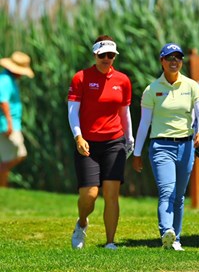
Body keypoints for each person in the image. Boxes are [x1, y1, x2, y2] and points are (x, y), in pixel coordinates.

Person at [132, 43, 199, 251]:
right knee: (167, 191)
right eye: (169, 58)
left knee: (179, 196)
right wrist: (137, 153)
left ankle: (176, 239)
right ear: (162, 62)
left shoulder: (192, 86)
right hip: (161, 146)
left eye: (178, 58)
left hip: (186, 145)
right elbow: (144, 124)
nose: (174, 62)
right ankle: (166, 231)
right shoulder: (152, 90)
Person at [67, 36, 134, 250]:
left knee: (111, 194)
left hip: (115, 142)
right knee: (89, 195)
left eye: (111, 55)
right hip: (87, 143)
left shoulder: (123, 80)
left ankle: (110, 241)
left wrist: (129, 138)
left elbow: (125, 112)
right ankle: (82, 222)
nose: (107, 59)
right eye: (103, 55)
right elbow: (72, 111)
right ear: (95, 54)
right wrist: (78, 136)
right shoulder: (81, 78)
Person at [0, 51, 34, 187]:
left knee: (10, 157)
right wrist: (8, 123)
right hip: (7, 123)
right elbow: (3, 101)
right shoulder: (5, 80)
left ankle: (3, 188)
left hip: (12, 123)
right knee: (19, 154)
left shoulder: (10, 79)